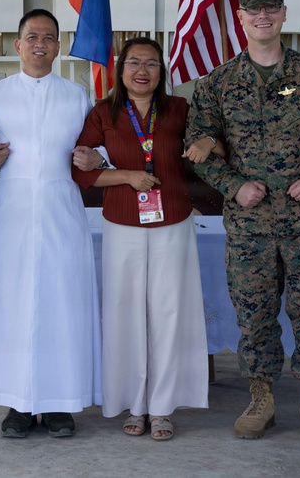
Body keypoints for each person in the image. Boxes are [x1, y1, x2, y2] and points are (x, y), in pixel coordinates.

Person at [186, 0, 300, 442]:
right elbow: (198, 149)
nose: (263, 16)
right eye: (254, 10)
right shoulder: (217, 83)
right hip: (250, 221)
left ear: (283, 15)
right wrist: (234, 187)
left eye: (271, 9)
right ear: (240, 18)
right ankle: (262, 398)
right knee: (253, 311)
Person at [0, 8, 101, 439]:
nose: (40, 44)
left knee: (62, 304)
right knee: (11, 307)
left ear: (58, 47)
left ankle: (60, 404)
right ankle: (18, 403)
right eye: (32, 36)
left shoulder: (77, 96)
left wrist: (99, 159)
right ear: (17, 44)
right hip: (9, 214)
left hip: (62, 212)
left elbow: (100, 148)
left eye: (49, 38)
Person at [72, 37, 208, 441]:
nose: (142, 70)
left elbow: (213, 140)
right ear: (120, 69)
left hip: (173, 222)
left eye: (151, 63)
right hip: (122, 223)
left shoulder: (181, 109)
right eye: (134, 62)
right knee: (125, 313)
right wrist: (127, 175)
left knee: (168, 313)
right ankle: (134, 402)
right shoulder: (103, 113)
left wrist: (207, 141)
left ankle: (162, 407)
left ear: (162, 70)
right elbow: (82, 170)